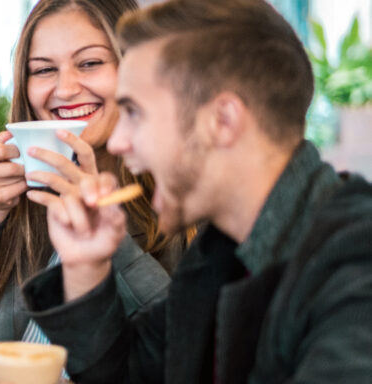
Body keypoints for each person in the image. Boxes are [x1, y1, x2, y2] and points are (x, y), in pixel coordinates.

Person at [21, 0, 372, 382]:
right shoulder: (218, 252)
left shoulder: (357, 262)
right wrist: (86, 267)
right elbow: (128, 374)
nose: (119, 142)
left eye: (134, 112)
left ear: (222, 121)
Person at [0, 0, 180, 345]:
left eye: (90, 63)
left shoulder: (180, 197)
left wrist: (110, 242)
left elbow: (183, 348)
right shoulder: (23, 196)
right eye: (43, 70)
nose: (65, 89)